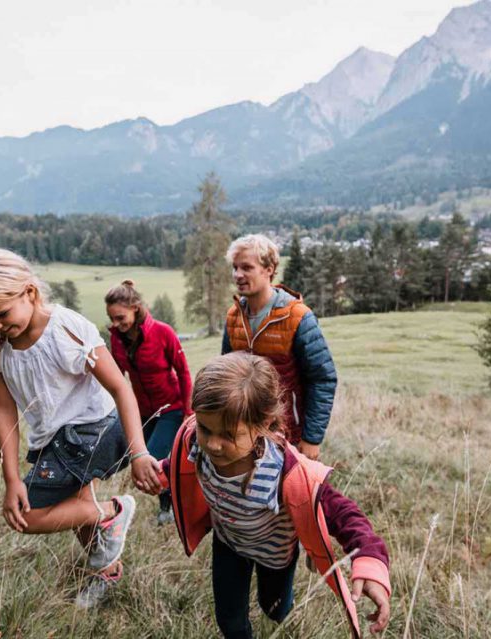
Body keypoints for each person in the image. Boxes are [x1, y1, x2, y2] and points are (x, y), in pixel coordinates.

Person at [0, 248, 161, 608]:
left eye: (1, 314)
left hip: (94, 431)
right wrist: (12, 478)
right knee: (75, 507)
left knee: (27, 515)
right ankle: (106, 574)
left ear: (30, 293)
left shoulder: (66, 329)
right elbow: (3, 412)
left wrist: (140, 451)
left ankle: (113, 512)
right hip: (53, 440)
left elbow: (120, 388)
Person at [157, 353, 391, 639]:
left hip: (275, 555)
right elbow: (180, 462)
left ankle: (280, 607)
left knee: (274, 609)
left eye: (229, 435)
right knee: (229, 619)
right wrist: (159, 473)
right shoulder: (196, 441)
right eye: (206, 428)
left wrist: (369, 561)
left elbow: (345, 514)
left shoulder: (286, 472)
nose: (213, 445)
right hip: (229, 543)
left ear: (264, 424)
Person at [222, 234, 337, 460]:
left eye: (246, 267)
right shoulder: (233, 317)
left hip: (289, 433)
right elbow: (226, 377)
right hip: (244, 432)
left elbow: (323, 378)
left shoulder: (298, 317)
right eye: (235, 267)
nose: (237, 275)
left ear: (269, 269)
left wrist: (312, 438)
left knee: (292, 494)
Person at [105, 279, 192, 525]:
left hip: (171, 409)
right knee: (140, 459)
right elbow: (116, 377)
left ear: (135, 307)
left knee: (151, 460)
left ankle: (172, 511)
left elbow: (184, 372)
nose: (116, 324)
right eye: (112, 319)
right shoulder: (117, 338)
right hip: (142, 411)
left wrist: (187, 411)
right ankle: (169, 506)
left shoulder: (162, 332)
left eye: (120, 317)